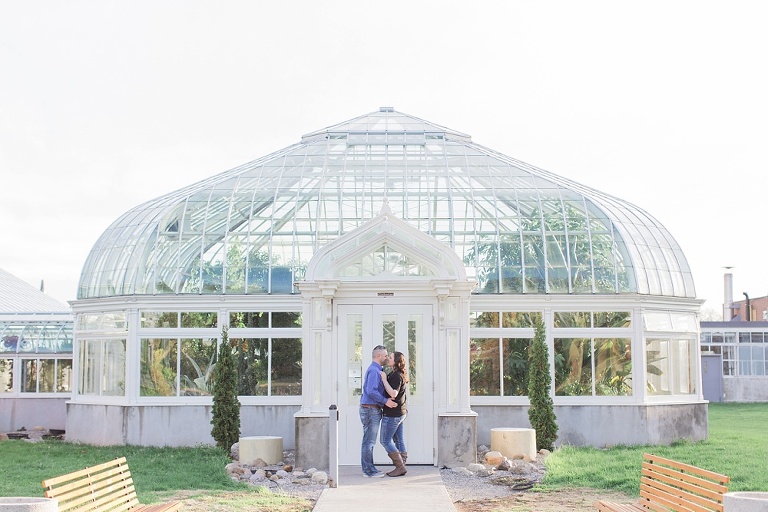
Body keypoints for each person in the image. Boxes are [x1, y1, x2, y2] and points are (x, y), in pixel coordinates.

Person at [360, 345, 397, 478]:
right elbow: (371, 391)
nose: (387, 358)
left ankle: (368, 469)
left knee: (368, 441)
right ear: (378, 356)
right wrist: (385, 401)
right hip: (370, 409)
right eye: (386, 355)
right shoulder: (374, 371)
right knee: (369, 442)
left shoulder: (377, 370)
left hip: (371, 409)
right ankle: (368, 471)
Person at [379, 351, 408, 477]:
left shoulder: (396, 375)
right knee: (398, 439)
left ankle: (400, 466)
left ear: (396, 361)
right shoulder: (396, 373)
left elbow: (393, 394)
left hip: (393, 414)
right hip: (400, 412)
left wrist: (384, 380)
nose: (388, 359)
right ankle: (402, 465)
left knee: (385, 440)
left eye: (390, 357)